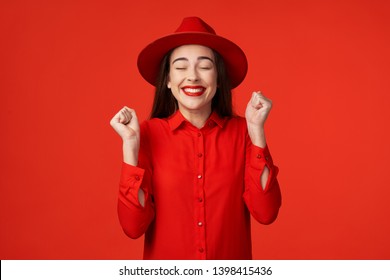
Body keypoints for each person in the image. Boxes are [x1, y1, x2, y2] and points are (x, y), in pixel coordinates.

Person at [110, 17, 282, 260]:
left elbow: (266, 213)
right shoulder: (146, 134)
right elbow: (133, 227)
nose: (192, 77)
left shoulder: (244, 131)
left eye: (205, 66)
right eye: (180, 67)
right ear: (168, 80)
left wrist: (257, 132)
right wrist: (130, 148)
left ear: (219, 79)